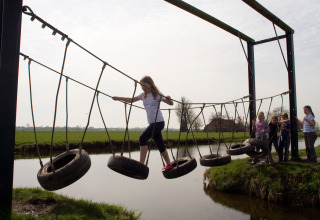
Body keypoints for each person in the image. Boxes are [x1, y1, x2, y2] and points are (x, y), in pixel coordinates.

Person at [112, 76, 174, 171]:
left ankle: (141, 164)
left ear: (150, 84)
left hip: (159, 122)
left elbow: (170, 104)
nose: (143, 87)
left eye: (144, 85)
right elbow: (131, 100)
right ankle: (169, 164)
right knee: (160, 144)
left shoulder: (157, 94)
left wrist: (170, 99)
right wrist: (118, 98)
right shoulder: (143, 95)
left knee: (142, 138)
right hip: (152, 123)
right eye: (141, 86)